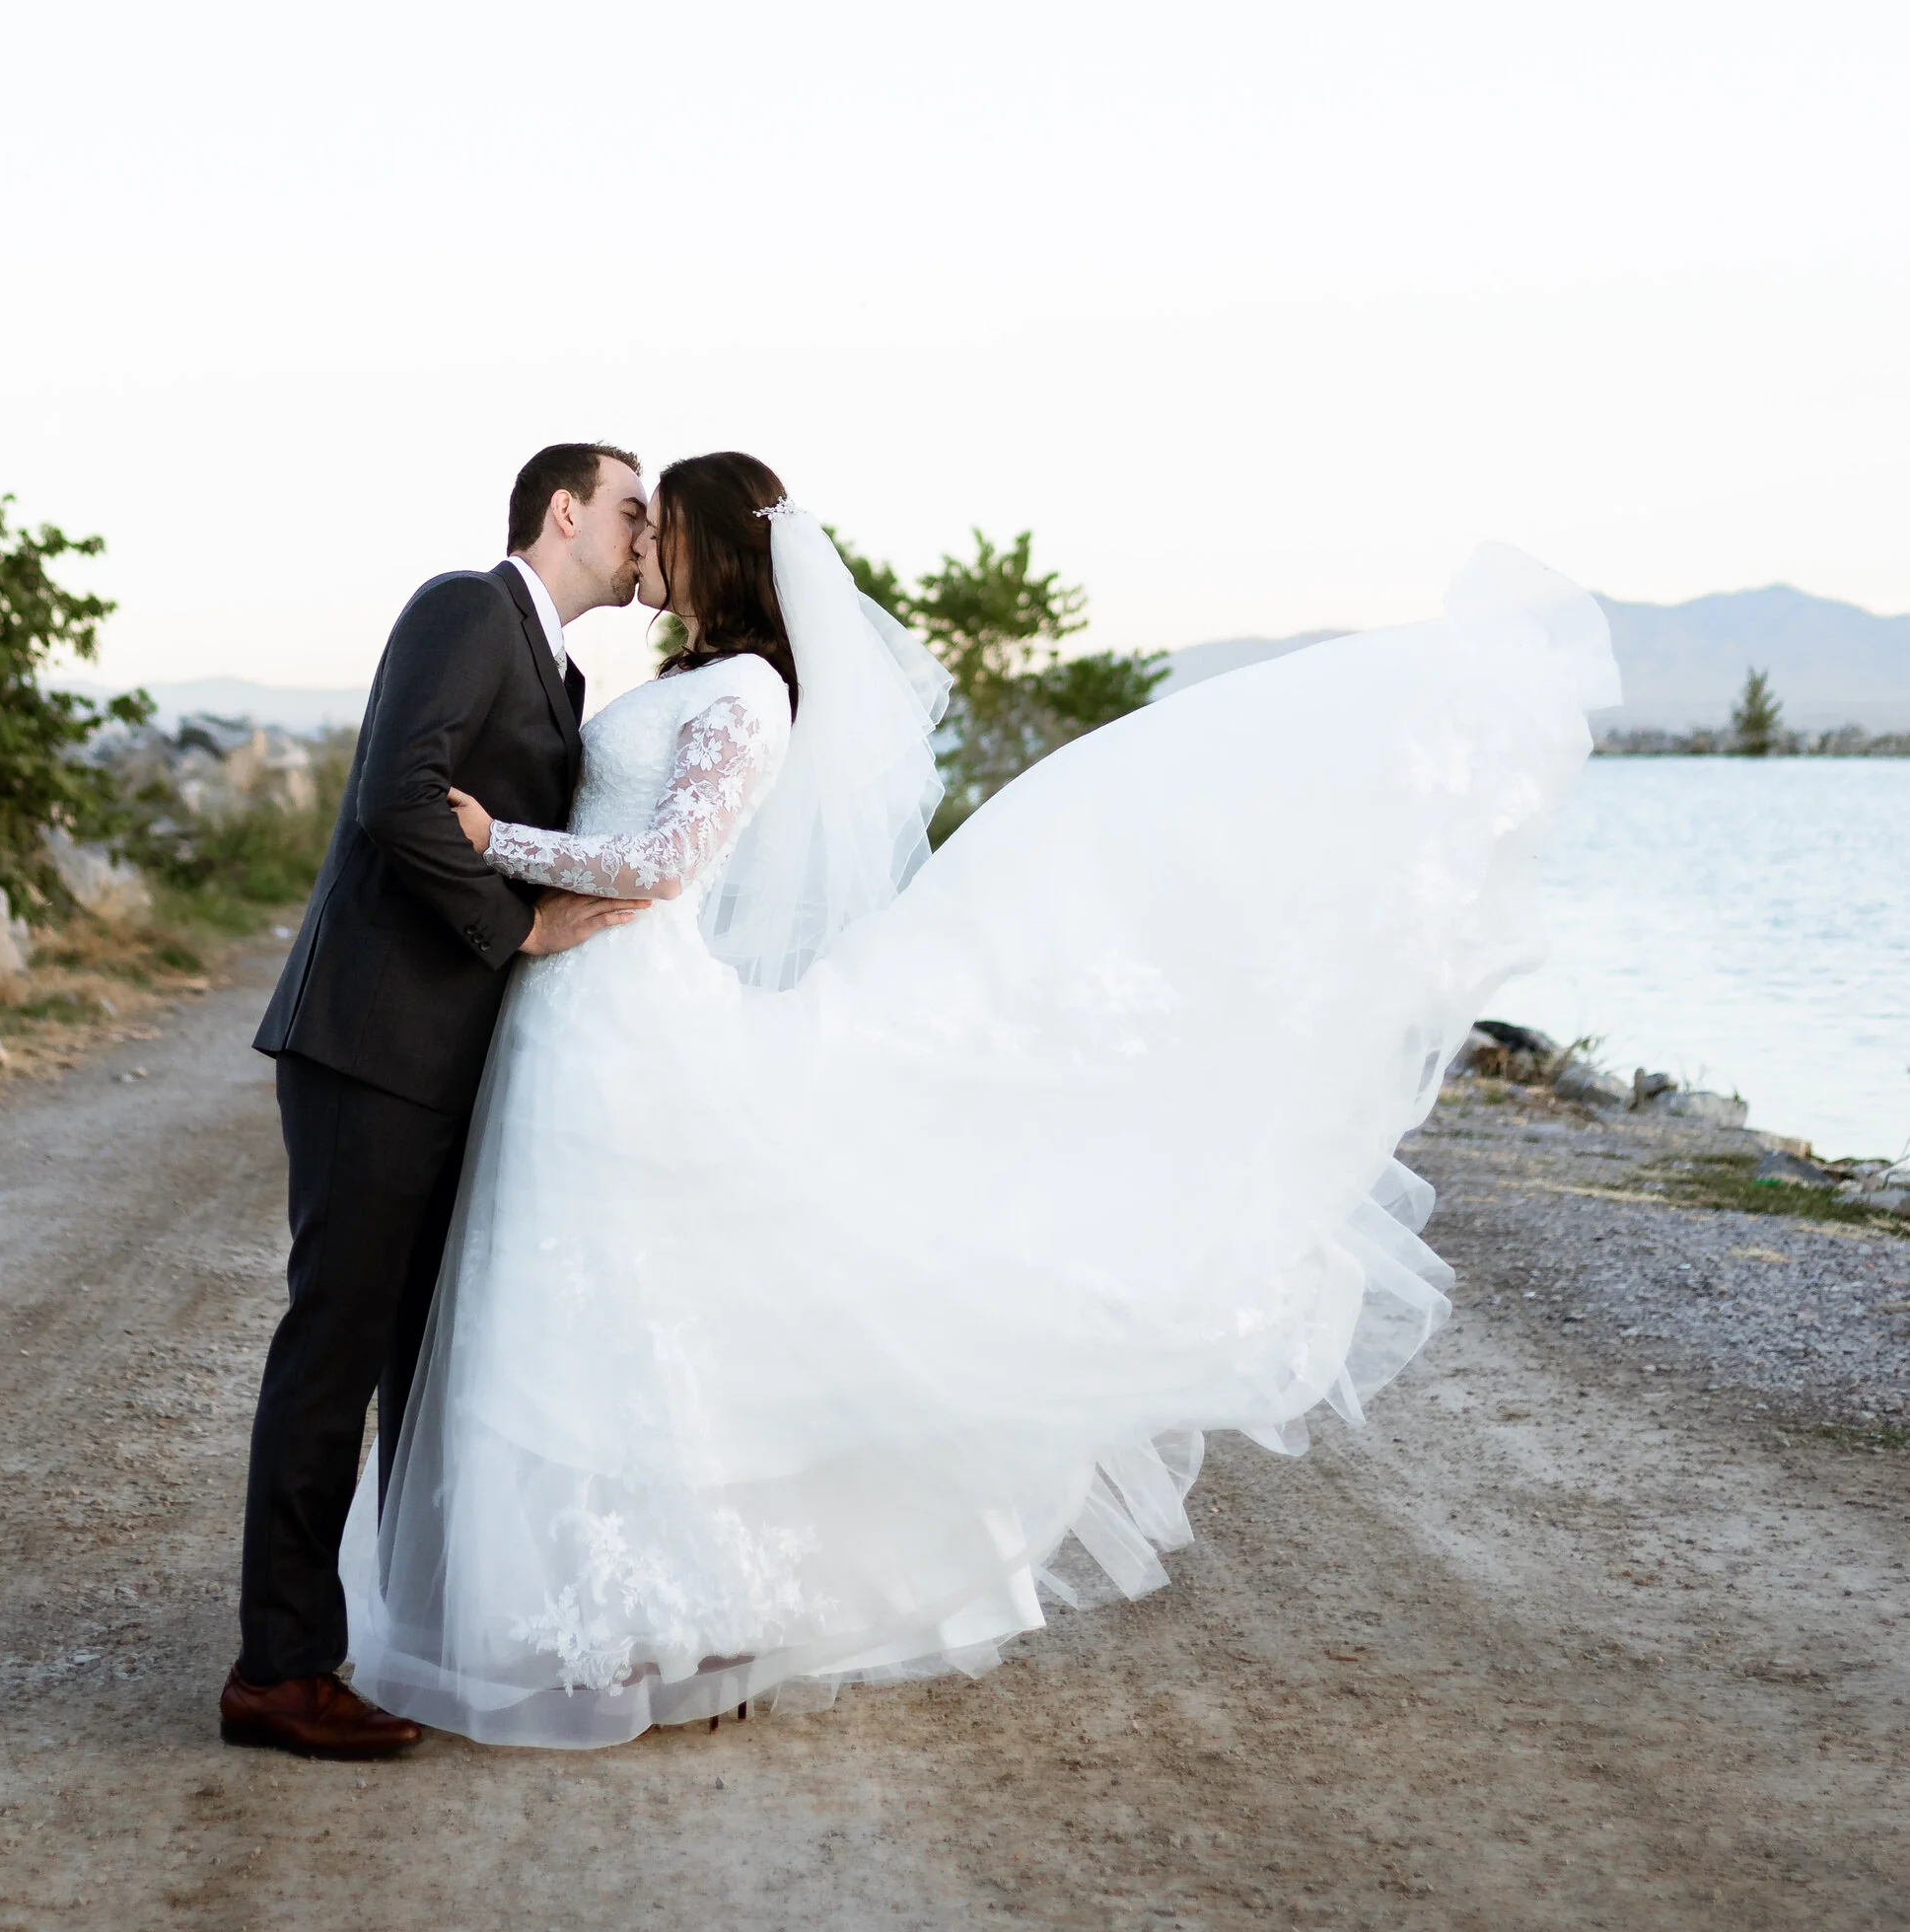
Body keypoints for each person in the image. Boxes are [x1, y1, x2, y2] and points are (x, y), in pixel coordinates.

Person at [337, 453, 1617, 1747]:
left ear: (712, 546)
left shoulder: (750, 693)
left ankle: (680, 1616)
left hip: (627, 1015)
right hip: (572, 1014)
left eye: (660, 525)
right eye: (636, 519)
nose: (643, 544)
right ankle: (577, 1603)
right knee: (572, 1305)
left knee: (631, 1303)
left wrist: (498, 843)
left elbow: (669, 859)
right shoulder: (677, 677)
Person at [220, 440, 651, 1758]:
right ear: (564, 511)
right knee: (335, 1348)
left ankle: (385, 1638)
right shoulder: (466, 607)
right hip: (371, 1041)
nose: (646, 534)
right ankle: (277, 1671)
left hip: (440, 1058)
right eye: (631, 509)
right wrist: (519, 931)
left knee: (415, 1353)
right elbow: (396, 798)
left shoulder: (560, 670)